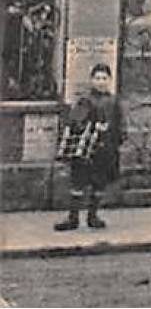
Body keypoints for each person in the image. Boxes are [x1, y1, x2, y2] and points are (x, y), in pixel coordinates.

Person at [53, 63, 124, 231]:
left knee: (99, 183)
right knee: (78, 182)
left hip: (105, 149)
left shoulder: (114, 102)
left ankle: (93, 216)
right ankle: (73, 218)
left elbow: (120, 125)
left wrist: (116, 138)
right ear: (92, 80)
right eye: (97, 78)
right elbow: (74, 122)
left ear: (110, 80)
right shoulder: (85, 101)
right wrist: (91, 126)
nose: (101, 82)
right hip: (85, 148)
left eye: (104, 78)